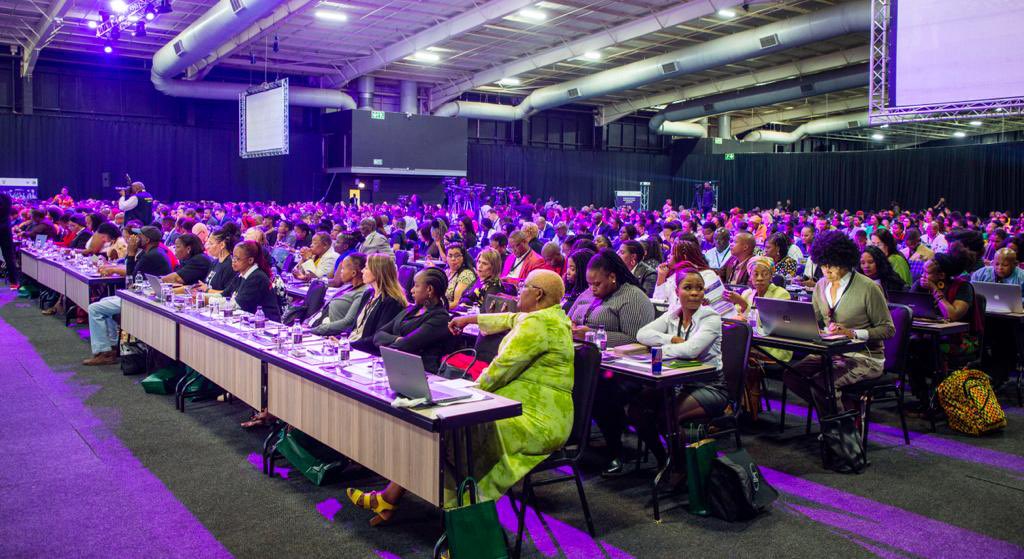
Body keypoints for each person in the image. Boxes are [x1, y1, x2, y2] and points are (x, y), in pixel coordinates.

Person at [348, 270, 574, 524]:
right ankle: (391, 497)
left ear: (538, 294)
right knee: (444, 431)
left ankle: (465, 526)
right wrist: (470, 319)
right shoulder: (550, 317)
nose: (519, 289)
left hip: (536, 420)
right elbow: (511, 317)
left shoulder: (539, 324)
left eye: (524, 286)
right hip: (523, 407)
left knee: (456, 433)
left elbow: (501, 369)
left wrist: (466, 394)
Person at [782, 231, 894, 415]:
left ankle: (842, 429)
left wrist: (854, 333)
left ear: (845, 261)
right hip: (830, 354)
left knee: (823, 384)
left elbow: (888, 329)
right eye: (823, 265)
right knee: (793, 376)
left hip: (864, 357)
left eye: (831, 264)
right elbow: (814, 319)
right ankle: (838, 413)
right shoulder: (821, 285)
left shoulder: (869, 288)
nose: (826, 270)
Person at [568, 249, 655, 476]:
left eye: (597, 283)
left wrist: (590, 335)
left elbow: (637, 337)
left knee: (600, 391)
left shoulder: (634, 297)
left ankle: (615, 451)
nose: (592, 288)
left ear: (612, 277)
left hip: (625, 370)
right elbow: (568, 318)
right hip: (584, 362)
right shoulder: (588, 293)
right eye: (589, 283)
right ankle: (571, 440)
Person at [630, 267, 724, 478]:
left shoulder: (711, 317)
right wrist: (670, 339)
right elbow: (642, 334)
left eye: (699, 288)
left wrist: (658, 351)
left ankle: (681, 469)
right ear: (676, 290)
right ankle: (664, 460)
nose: (694, 293)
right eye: (688, 287)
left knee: (667, 415)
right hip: (674, 383)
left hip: (709, 386)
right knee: (637, 410)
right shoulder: (673, 315)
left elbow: (691, 350)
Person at [83, 226, 172, 366]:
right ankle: (111, 347)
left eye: (138, 236)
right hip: (140, 295)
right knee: (104, 302)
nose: (134, 239)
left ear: (146, 239)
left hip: (146, 300)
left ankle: (104, 352)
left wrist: (130, 253)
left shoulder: (152, 255)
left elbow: (131, 276)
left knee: (95, 308)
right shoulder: (149, 252)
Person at [723, 256, 793, 419]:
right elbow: (737, 319)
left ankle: (737, 408)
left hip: (773, 347)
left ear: (771, 275)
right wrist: (737, 307)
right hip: (751, 345)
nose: (760, 278)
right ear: (750, 275)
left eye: (764, 274)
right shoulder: (748, 293)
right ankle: (735, 405)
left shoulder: (781, 294)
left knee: (737, 357)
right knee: (728, 354)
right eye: (756, 274)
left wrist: (744, 306)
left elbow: (771, 326)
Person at [372, 268, 455, 373]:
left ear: (429, 289)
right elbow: (378, 335)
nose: (411, 290)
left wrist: (396, 341)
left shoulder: (440, 317)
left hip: (421, 373)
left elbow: (406, 346)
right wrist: (398, 339)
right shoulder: (411, 309)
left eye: (416, 285)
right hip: (396, 366)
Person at [349, 254, 409, 356]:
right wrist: (340, 340)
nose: (362, 271)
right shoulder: (368, 294)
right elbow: (356, 327)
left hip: (368, 353)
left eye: (366, 268)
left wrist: (350, 345)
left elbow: (377, 338)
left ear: (377, 272)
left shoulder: (392, 301)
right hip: (353, 346)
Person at [221, 241, 282, 322]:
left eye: (237, 258)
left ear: (250, 260)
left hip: (266, 324)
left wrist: (210, 301)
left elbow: (237, 305)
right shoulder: (241, 274)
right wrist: (203, 296)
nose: (233, 261)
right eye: (233, 257)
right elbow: (225, 294)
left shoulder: (257, 277)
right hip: (250, 321)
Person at [311, 253, 370, 336]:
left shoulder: (362, 292)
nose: (340, 272)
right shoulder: (347, 286)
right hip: (318, 327)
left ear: (353, 273)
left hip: (329, 335)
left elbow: (348, 322)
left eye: (343, 269)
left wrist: (313, 330)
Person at [443, 243, 477, 310]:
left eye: (457, 256)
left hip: (451, 312)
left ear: (463, 257)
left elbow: (457, 303)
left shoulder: (466, 274)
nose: (453, 259)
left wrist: (436, 308)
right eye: (450, 256)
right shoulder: (446, 271)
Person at [0, 192, 19, 288]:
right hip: (5, 230)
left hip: (4, 229)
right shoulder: (7, 197)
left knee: (9, 257)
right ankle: (14, 283)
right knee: (9, 258)